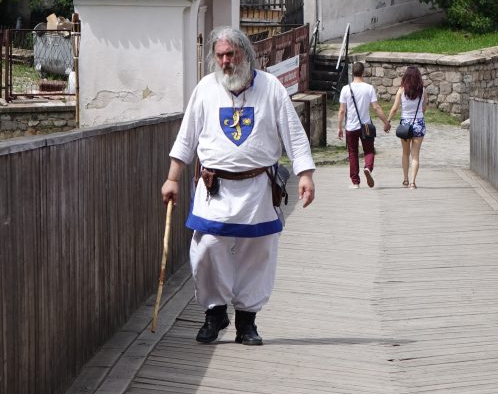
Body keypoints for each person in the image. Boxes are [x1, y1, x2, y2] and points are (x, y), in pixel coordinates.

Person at [161, 27, 316, 346]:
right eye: (220, 56)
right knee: (206, 248)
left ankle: (247, 321)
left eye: (231, 54)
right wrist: (172, 177)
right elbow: (187, 136)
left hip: (258, 188)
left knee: (256, 254)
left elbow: (294, 134)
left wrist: (305, 175)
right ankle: (215, 312)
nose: (226, 61)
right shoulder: (205, 88)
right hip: (214, 187)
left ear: (246, 53)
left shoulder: (270, 88)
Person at [337, 61, 390, 189]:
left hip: (351, 126)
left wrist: (339, 127)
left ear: (352, 72)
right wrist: (386, 122)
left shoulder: (345, 89)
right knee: (369, 150)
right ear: (363, 72)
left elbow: (342, 110)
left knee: (353, 154)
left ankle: (355, 182)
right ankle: (368, 168)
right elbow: (376, 107)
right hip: (365, 125)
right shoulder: (369, 88)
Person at [386, 65, 427, 189]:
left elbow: (394, 109)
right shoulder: (423, 90)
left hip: (405, 124)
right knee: (415, 155)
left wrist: (388, 121)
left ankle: (405, 179)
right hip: (419, 123)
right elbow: (424, 108)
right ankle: (413, 182)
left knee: (405, 153)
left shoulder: (401, 90)